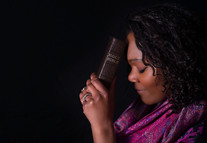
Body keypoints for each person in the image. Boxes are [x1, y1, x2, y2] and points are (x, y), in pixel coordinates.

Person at [79, 3, 207, 143]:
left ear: (176, 64)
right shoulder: (145, 113)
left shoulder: (199, 129)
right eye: (130, 67)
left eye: (141, 68)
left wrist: (102, 127)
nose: (131, 77)